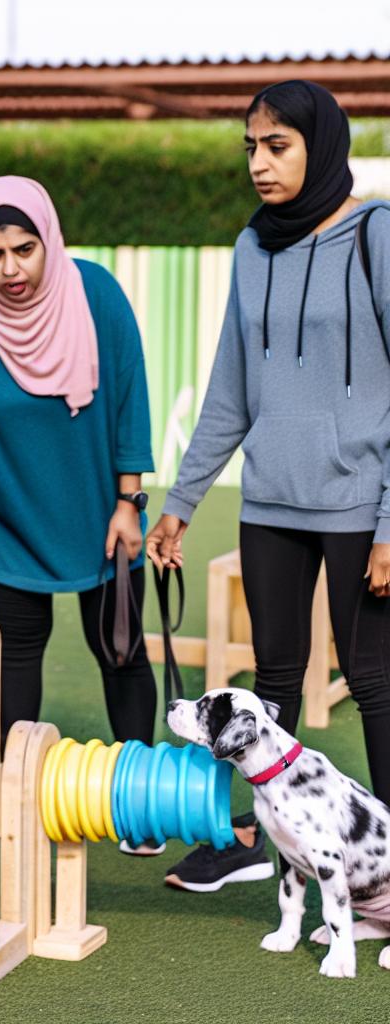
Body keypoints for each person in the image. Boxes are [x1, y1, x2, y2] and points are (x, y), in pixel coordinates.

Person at [147, 80, 390, 896]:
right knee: (273, 679)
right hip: (270, 503)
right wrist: (181, 499)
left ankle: (386, 865)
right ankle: (257, 840)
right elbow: (230, 388)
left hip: (361, 502)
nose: (258, 162)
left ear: (319, 148)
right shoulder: (254, 247)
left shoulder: (376, 235)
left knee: (374, 681)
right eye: (250, 146)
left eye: (276, 146)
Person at [0, 175, 158, 852]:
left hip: (103, 516)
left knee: (121, 652)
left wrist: (129, 502)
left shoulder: (97, 294)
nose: (11, 269)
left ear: (48, 240)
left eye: (25, 249)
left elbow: (130, 402)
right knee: (18, 656)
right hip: (12, 518)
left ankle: (137, 806)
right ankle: (9, 804)